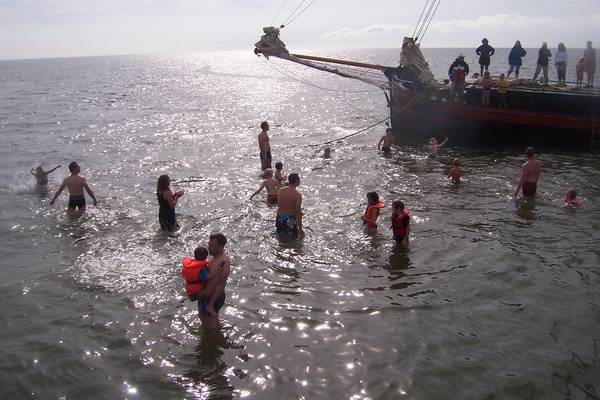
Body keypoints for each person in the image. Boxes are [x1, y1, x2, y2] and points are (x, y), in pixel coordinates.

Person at [196, 233, 231, 328]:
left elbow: (209, 290)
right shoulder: (223, 258)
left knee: (208, 329)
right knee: (214, 322)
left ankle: (214, 341)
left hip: (210, 298)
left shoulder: (217, 264)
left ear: (220, 247)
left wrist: (195, 295)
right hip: (218, 296)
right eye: (208, 245)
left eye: (212, 246)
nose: (209, 248)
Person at [276, 173, 304, 240]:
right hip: (290, 220)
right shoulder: (298, 195)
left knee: (281, 239)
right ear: (297, 181)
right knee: (293, 240)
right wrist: (300, 228)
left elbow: (280, 204)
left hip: (280, 217)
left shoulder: (281, 190)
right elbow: (298, 213)